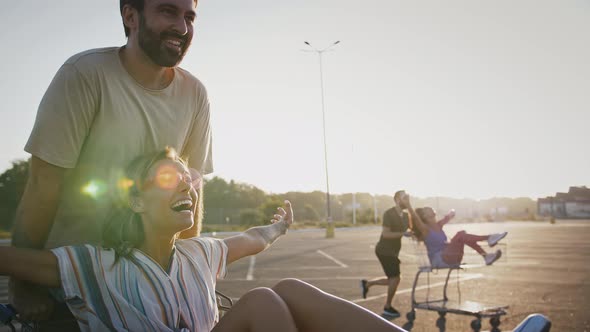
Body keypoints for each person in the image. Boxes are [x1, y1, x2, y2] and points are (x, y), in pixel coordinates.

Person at [1, 148, 405, 332]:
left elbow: (253, 238)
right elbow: (10, 258)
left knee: (291, 290)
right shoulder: (94, 266)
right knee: (262, 300)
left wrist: (278, 228)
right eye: (167, 179)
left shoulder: (200, 253)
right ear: (136, 201)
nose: (186, 188)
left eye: (188, 181)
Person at [11, 0, 213, 324]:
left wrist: (190, 278)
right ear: (130, 16)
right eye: (167, 11)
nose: (182, 27)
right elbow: (42, 187)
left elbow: (192, 191)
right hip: (75, 287)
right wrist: (24, 285)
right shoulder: (83, 75)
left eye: (189, 16)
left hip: (147, 290)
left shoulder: (195, 94)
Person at [407, 196, 507, 268]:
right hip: (439, 260)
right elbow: (415, 218)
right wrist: (408, 205)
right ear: (424, 216)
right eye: (426, 209)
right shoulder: (425, 229)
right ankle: (488, 239)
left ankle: (486, 256)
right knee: (460, 235)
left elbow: (448, 217)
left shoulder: (438, 225)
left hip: (450, 256)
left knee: (462, 234)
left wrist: (452, 212)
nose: (430, 208)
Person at [361, 190, 411, 319]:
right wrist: (403, 234)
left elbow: (411, 229)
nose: (407, 199)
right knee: (395, 278)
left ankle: (367, 284)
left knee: (393, 279)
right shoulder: (389, 214)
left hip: (393, 252)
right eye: (404, 197)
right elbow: (386, 234)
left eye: (408, 197)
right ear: (397, 200)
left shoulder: (406, 216)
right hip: (384, 250)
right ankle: (387, 307)